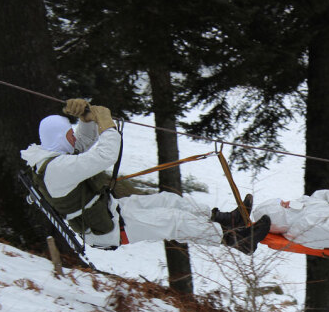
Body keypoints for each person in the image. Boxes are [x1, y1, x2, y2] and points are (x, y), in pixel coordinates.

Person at [20, 98, 270, 254]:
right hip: (106, 230)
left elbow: (83, 142)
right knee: (173, 220)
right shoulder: (57, 170)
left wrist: (86, 116)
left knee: (168, 201)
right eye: (69, 133)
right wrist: (107, 125)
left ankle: (229, 219)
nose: (74, 137)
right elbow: (105, 156)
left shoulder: (56, 158)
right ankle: (236, 240)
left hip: (111, 210)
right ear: (59, 138)